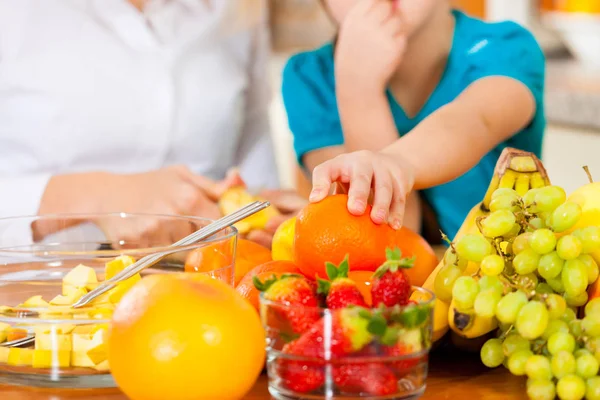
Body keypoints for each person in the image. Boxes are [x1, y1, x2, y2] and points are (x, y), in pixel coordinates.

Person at [0, 0, 301, 245]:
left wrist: (262, 214)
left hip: (200, 296)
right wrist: (97, 195)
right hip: (32, 295)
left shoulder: (237, 10)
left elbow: (252, 169)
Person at [282, 0, 545, 241]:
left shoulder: (505, 48)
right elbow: (390, 241)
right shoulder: (310, 79)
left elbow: (475, 121)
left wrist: (396, 162)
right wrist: (358, 90)